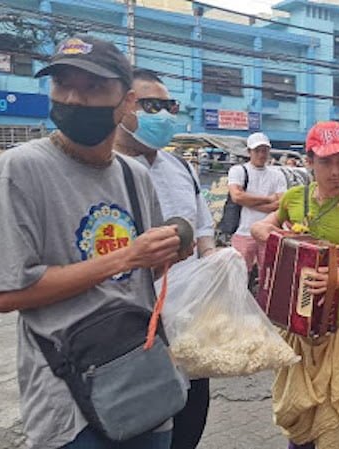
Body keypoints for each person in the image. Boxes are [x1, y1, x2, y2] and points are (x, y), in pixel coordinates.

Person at [0, 35, 187, 448]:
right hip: (68, 400)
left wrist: (167, 251)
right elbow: (8, 291)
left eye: (93, 87)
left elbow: (144, 271)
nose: (74, 99)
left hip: (142, 378)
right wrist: (124, 257)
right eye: (62, 84)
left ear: (126, 102)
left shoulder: (133, 174)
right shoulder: (20, 169)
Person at [250, 121, 339, 448]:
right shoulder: (295, 198)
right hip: (296, 320)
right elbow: (261, 227)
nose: (337, 171)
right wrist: (283, 238)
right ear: (309, 161)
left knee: (336, 410)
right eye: (326, 161)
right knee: (298, 407)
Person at [115, 69, 215, 449]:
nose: (163, 115)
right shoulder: (108, 168)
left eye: (169, 106)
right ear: (124, 107)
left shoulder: (181, 167)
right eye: (151, 105)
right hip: (134, 323)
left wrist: (213, 258)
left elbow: (202, 224)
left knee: (192, 413)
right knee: (148, 421)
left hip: (189, 319)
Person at [227, 132, 287, 273]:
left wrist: (248, 201)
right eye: (257, 151)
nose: (261, 154)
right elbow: (236, 196)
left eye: (264, 150)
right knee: (239, 274)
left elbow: (281, 204)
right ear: (249, 152)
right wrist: (268, 199)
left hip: (268, 234)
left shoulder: (277, 175)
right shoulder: (238, 171)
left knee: (269, 275)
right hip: (243, 232)